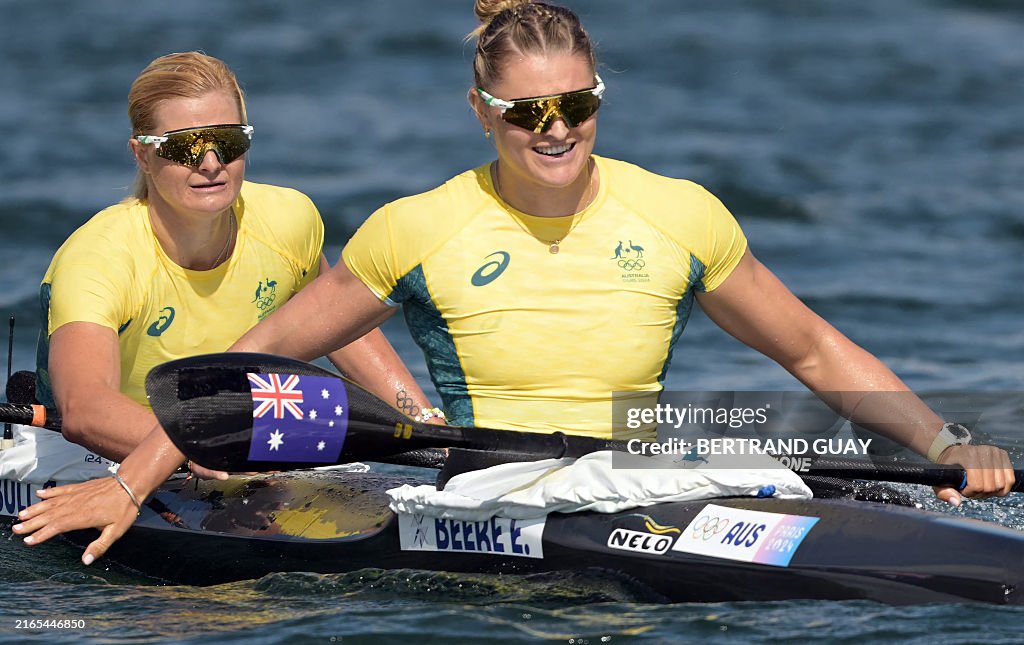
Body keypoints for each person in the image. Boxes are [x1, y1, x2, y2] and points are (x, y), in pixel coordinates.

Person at [14, 2, 1014, 564]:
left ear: (596, 97)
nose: (555, 128)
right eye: (526, 110)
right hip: (494, 490)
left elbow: (811, 350)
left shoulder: (680, 211)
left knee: (885, 499)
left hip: (653, 467)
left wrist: (944, 441)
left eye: (574, 101)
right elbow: (252, 362)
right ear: (482, 110)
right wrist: (127, 482)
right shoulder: (419, 228)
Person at [5, 52, 435, 484]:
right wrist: (194, 452)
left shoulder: (289, 219)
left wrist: (426, 428)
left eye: (226, 141)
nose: (211, 163)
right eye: (184, 146)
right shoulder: (99, 256)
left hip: (232, 439)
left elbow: (338, 322)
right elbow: (86, 409)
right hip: (87, 448)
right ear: (142, 154)